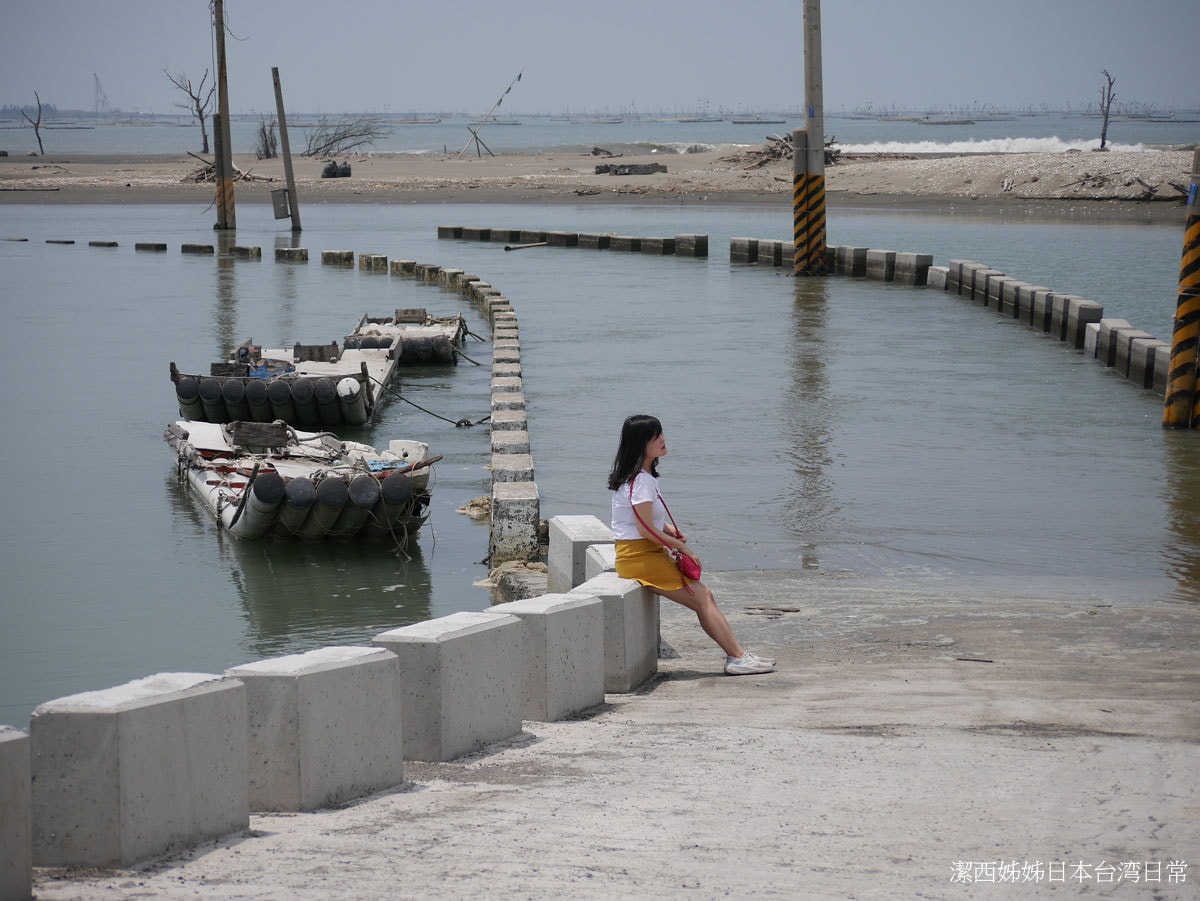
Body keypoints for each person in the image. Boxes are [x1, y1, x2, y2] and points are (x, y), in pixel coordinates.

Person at [607, 414, 775, 676]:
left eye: (661, 434)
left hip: (642, 554)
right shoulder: (640, 481)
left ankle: (739, 655)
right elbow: (644, 529)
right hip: (640, 557)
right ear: (641, 444)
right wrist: (682, 547)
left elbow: (643, 519)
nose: (663, 440)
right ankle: (737, 657)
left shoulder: (641, 477)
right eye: (655, 437)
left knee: (704, 597)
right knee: (703, 598)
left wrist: (670, 530)